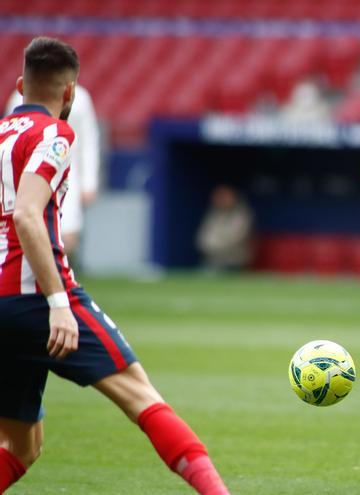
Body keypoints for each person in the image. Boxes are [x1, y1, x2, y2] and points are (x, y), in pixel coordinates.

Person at [0, 37, 229, 495]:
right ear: (70, 94)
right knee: (143, 397)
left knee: (23, 444)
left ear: (22, 85)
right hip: (34, 297)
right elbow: (27, 213)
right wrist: (58, 303)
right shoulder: (56, 134)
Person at [6, 82, 100, 257]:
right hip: (27, 176)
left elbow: (88, 141)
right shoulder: (18, 98)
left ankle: (56, 275)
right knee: (26, 225)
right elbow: (7, 139)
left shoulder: (80, 98)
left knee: (67, 233)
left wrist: (89, 181)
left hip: (68, 174)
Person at [196, 184, 254, 271]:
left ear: (233, 197)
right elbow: (203, 237)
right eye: (218, 196)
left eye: (224, 196)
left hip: (233, 261)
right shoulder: (214, 214)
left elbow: (234, 238)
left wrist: (212, 246)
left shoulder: (241, 215)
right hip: (212, 259)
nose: (220, 200)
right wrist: (209, 246)